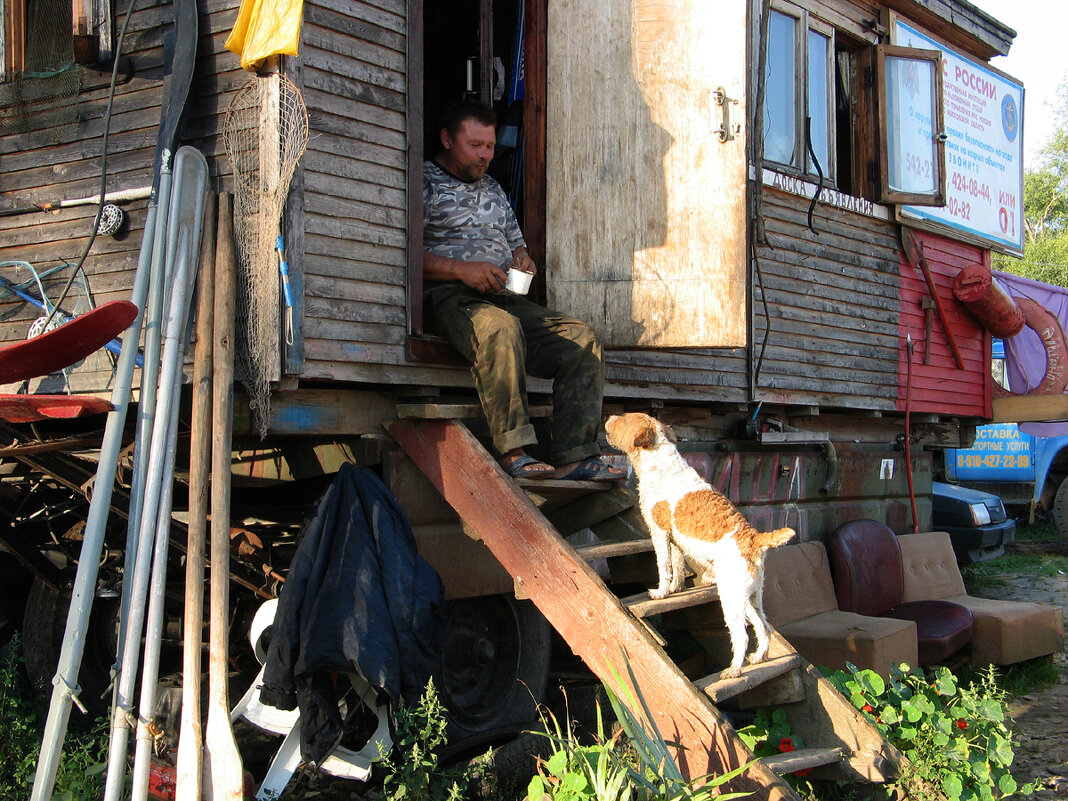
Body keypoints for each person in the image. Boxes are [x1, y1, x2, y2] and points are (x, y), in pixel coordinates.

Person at [423, 98, 624, 481]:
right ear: (448, 139)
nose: (485, 155)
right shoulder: (423, 181)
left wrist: (523, 260)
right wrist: (460, 270)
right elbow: (403, 250)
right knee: (500, 328)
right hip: (450, 298)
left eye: (490, 146)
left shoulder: (494, 188)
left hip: (502, 296)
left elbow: (517, 243)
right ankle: (514, 451)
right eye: (476, 145)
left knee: (581, 339)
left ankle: (574, 455)